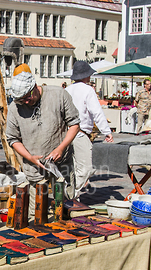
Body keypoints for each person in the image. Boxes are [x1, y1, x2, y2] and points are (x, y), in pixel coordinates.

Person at [6, 71, 80, 214]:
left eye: (27, 97)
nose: (25, 102)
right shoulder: (15, 107)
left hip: (61, 161)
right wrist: (30, 158)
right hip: (34, 166)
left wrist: (61, 148)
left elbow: (75, 124)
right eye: (21, 100)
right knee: (37, 212)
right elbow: (12, 139)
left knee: (66, 207)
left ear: (34, 86)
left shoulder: (58, 95)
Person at [66, 61, 113, 196]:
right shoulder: (88, 90)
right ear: (86, 75)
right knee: (86, 167)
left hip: (66, 133)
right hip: (80, 134)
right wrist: (106, 131)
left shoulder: (68, 89)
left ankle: (70, 197)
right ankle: (72, 196)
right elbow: (96, 112)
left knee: (72, 168)